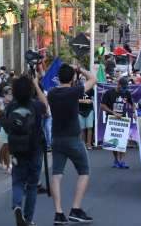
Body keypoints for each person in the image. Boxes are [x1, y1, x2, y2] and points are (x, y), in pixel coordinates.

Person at [48, 64, 97, 224]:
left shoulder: (53, 93)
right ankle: (75, 209)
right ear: (73, 78)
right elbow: (93, 79)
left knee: (56, 174)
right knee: (84, 171)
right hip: (73, 138)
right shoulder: (74, 91)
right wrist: (79, 69)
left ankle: (58, 212)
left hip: (56, 138)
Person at [4, 75, 48, 226]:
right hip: (34, 149)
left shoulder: (11, 106)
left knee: (17, 181)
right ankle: (28, 219)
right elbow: (46, 106)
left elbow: (6, 125)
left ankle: (17, 205)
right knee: (32, 185)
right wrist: (36, 85)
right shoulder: (36, 105)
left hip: (17, 149)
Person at [100, 77, 134, 169]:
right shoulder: (109, 93)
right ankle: (116, 159)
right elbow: (102, 106)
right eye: (122, 87)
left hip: (123, 120)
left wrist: (134, 112)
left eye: (125, 88)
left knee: (123, 141)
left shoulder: (126, 93)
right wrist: (113, 112)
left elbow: (132, 103)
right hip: (111, 119)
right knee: (113, 141)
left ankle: (121, 160)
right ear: (118, 84)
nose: (123, 90)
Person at [0, 86, 13, 173]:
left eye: (11, 94)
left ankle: (1, 162)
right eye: (8, 94)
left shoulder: (14, 102)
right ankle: (8, 166)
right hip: (3, 127)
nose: (10, 95)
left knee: (6, 146)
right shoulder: (0, 103)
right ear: (4, 94)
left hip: (12, 127)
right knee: (7, 146)